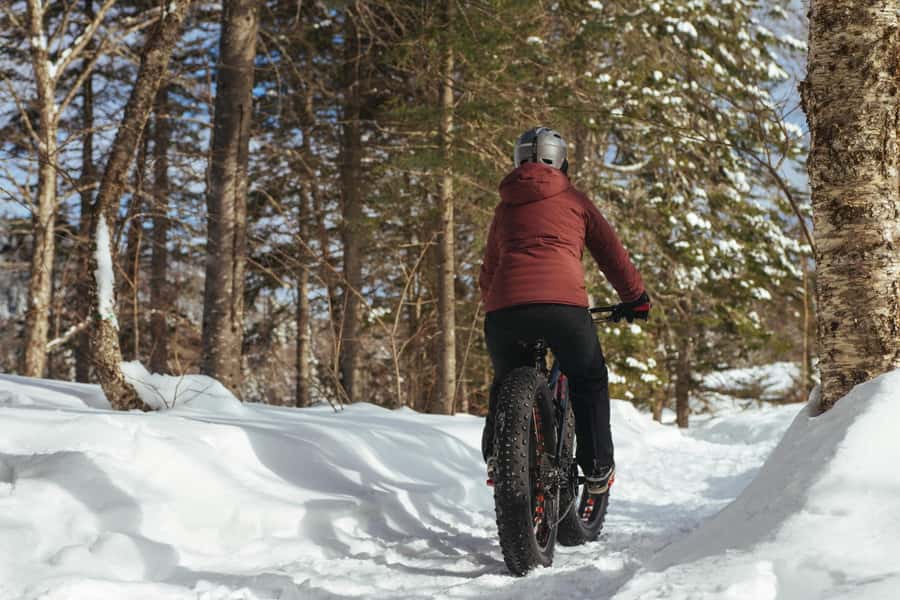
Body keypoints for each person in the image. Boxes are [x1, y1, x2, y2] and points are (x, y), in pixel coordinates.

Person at [479, 126, 650, 494]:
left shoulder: (504, 207)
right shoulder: (575, 200)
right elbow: (612, 254)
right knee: (588, 378)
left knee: (506, 378)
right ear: (562, 161)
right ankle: (597, 467)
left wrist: (497, 305)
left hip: (506, 310)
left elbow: (489, 271)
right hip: (564, 309)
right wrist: (636, 297)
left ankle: (497, 454)